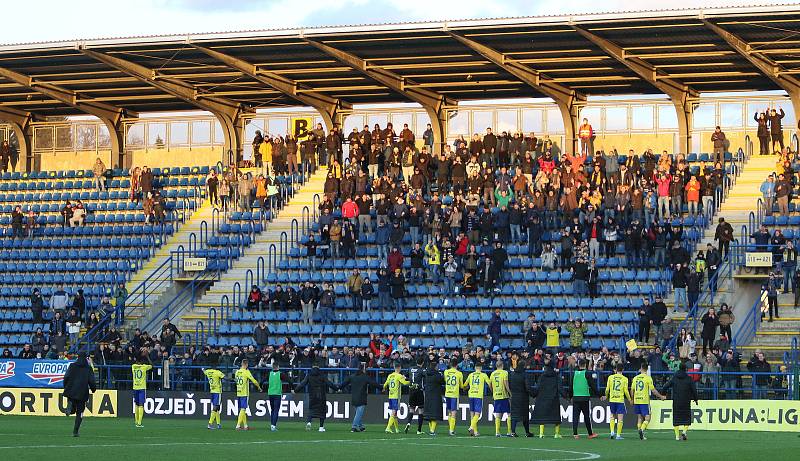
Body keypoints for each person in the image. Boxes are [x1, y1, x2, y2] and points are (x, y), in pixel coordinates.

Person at [294, 360, 336, 431]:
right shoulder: (322, 374)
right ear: (318, 367)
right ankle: (321, 427)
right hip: (321, 395)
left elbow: (303, 383)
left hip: (312, 394)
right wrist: (336, 388)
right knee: (322, 411)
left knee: (311, 409)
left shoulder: (309, 375)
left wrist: (296, 390)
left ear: (312, 367)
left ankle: (309, 423)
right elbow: (329, 383)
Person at [662, 363, 699, 441]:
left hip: (676, 401)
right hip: (686, 401)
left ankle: (677, 436)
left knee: (676, 418)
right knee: (687, 418)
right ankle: (684, 432)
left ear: (679, 368)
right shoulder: (689, 379)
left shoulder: (674, 378)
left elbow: (665, 386)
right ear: (685, 369)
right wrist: (696, 399)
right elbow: (694, 390)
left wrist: (664, 394)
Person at [62, 352, 96, 437]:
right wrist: (93, 389)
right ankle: (75, 431)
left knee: (72, 407)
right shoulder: (88, 368)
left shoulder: (72, 366)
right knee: (80, 412)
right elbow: (91, 381)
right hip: (82, 392)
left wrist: (66, 387)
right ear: (86, 358)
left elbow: (66, 377)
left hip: (71, 391)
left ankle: (70, 405)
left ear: (78, 357)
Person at [339, 364, 380, 432]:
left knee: (358, 413)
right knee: (359, 413)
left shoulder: (352, 376)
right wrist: (382, 388)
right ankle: (354, 427)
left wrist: (338, 388)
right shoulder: (365, 377)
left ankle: (361, 426)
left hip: (354, 397)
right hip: (362, 397)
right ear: (363, 369)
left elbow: (344, 383)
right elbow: (374, 384)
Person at [631, 363, 666, 440]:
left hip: (637, 400)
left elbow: (632, 389)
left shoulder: (635, 378)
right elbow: (653, 390)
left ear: (641, 368)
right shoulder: (648, 378)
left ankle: (640, 432)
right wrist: (661, 397)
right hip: (644, 401)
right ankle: (642, 430)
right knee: (647, 418)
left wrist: (632, 399)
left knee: (639, 417)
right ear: (647, 369)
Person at [531, 359, 564, 438]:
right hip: (553, 398)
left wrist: (533, 394)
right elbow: (560, 388)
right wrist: (566, 396)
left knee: (542, 416)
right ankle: (556, 434)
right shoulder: (556, 376)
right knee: (556, 416)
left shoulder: (542, 376)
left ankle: (541, 433)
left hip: (542, 398)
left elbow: (538, 387)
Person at [570, 358, 600, 439]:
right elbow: (592, 386)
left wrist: (570, 396)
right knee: (586, 416)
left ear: (579, 365)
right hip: (584, 398)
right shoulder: (587, 373)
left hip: (576, 397)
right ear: (585, 365)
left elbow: (570, 386)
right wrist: (600, 395)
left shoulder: (574, 373)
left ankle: (575, 433)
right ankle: (590, 434)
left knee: (575, 416)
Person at [604, 363, 631, 440]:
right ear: (623, 370)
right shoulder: (625, 379)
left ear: (615, 369)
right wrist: (629, 399)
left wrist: (606, 395)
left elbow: (607, 389)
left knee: (612, 416)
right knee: (620, 418)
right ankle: (618, 435)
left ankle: (612, 432)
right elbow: (626, 391)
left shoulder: (610, 377)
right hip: (620, 400)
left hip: (612, 399)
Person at [234, 359, 262, 430]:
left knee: (242, 409)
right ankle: (238, 425)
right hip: (244, 393)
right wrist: (259, 387)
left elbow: (236, 380)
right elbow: (254, 380)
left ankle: (245, 426)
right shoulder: (246, 372)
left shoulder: (237, 372)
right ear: (246, 364)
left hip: (238, 392)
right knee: (243, 409)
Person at [508, 362, 533, 437]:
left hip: (514, 397)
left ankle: (512, 432)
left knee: (514, 415)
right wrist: (533, 393)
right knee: (525, 415)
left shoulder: (512, 375)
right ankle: (527, 432)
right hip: (523, 398)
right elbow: (527, 387)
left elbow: (509, 384)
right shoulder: (524, 375)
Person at [383, 362, 409, 434]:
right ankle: (388, 427)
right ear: (399, 368)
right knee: (394, 412)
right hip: (396, 396)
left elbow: (386, 383)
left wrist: (384, 388)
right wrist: (411, 381)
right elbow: (404, 383)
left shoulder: (390, 375)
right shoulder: (399, 376)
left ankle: (397, 429)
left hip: (390, 395)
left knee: (395, 414)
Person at [466, 361, 490, 437]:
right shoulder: (483, 375)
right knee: (477, 414)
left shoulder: (470, 375)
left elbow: (465, 385)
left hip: (471, 395)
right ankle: (471, 427)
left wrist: (464, 387)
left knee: (472, 414)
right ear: (481, 368)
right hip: (478, 396)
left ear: (475, 368)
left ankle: (475, 432)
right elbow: (489, 384)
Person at [422, 358, 445, 436]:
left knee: (429, 414)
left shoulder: (426, 374)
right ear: (435, 367)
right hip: (436, 396)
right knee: (435, 414)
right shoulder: (438, 375)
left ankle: (431, 430)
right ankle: (432, 430)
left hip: (428, 395)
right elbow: (443, 381)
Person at [489, 360, 512, 437]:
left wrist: (493, 392)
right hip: (504, 395)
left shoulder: (492, 373)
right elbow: (506, 384)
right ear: (502, 365)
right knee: (509, 413)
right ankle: (509, 432)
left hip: (496, 395)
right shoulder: (505, 373)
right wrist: (510, 392)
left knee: (498, 414)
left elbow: (490, 384)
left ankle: (497, 432)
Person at [444, 358, 465, 436]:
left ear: (450, 364)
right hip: (454, 395)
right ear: (457, 365)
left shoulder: (446, 372)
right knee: (453, 412)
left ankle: (450, 428)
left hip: (447, 393)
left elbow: (445, 380)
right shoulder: (459, 373)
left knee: (449, 412)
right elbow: (462, 386)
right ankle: (451, 430)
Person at [404, 357, 426, 435]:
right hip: (419, 390)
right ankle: (419, 430)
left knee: (411, 409)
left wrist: (410, 380)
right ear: (422, 363)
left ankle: (409, 423)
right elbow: (426, 377)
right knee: (421, 410)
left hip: (411, 390)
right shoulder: (422, 370)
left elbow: (404, 377)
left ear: (416, 362)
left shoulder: (410, 369)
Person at [266, 362, 288, 431]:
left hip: (270, 394)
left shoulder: (269, 374)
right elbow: (289, 381)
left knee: (272, 410)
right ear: (278, 367)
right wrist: (292, 388)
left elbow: (262, 381)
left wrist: (260, 388)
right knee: (276, 410)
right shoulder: (280, 374)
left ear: (272, 367)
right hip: (277, 394)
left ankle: (272, 425)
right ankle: (273, 426)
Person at [132, 358, 153, 428]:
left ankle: (136, 421)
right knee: (141, 405)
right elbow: (152, 365)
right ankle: (139, 422)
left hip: (135, 387)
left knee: (136, 404)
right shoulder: (144, 367)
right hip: (141, 388)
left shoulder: (133, 367)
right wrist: (147, 357)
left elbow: (135, 364)